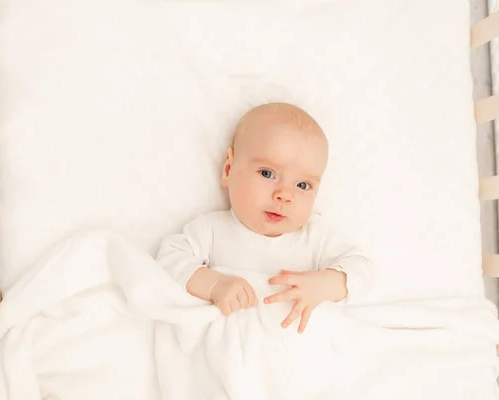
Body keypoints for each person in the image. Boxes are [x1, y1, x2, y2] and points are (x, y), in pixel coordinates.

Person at [156, 102, 373, 333]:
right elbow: (168, 260)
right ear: (228, 169)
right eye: (268, 174)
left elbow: (364, 270)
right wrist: (215, 285)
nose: (284, 195)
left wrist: (325, 285)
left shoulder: (316, 236)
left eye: (302, 185)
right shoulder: (211, 230)